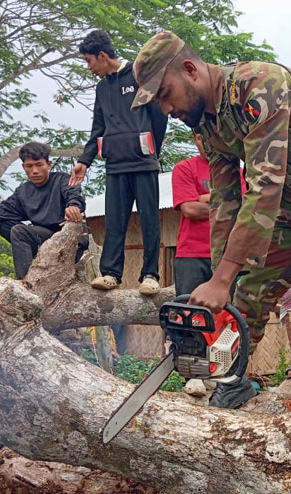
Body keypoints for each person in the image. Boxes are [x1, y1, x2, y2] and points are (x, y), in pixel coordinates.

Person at [130, 31, 291, 407]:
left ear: (190, 70)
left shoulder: (259, 86)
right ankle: (233, 381)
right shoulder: (207, 124)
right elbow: (225, 203)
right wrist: (221, 285)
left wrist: (220, 279)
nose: (166, 110)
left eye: (165, 94)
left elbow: (264, 186)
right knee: (247, 295)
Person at [71, 29, 168, 295]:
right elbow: (98, 127)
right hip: (115, 165)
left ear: (102, 56)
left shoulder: (139, 75)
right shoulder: (102, 88)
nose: (89, 68)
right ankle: (111, 274)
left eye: (89, 61)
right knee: (115, 221)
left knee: (149, 220)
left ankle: (150, 275)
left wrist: (149, 150)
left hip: (143, 163)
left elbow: (159, 118)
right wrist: (85, 161)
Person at [0, 142, 85, 279]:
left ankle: (25, 281)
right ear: (23, 167)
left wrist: (73, 206)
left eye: (39, 165)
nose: (34, 171)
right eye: (29, 166)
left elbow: (74, 193)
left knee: (19, 231)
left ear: (48, 164)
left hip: (67, 239)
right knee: (2, 223)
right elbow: (1, 212)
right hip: (41, 238)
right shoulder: (23, 191)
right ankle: (32, 269)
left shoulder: (62, 179)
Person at [171, 133, 212, 296]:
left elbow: (245, 209)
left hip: (227, 258)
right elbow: (190, 209)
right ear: (196, 139)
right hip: (192, 255)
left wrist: (204, 198)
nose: (207, 143)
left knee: (226, 316)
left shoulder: (237, 171)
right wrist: (226, 204)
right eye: (202, 138)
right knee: (189, 314)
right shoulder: (184, 167)